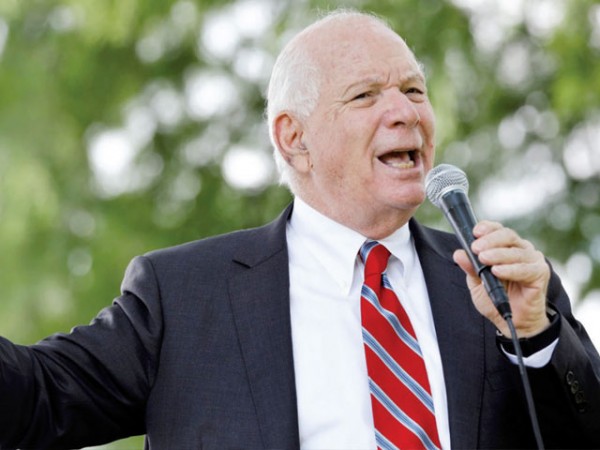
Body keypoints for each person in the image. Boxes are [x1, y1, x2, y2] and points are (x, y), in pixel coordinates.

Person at [1, 8, 599, 450]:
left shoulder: (506, 286)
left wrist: (535, 336)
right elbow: (37, 396)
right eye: (365, 95)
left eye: (414, 90)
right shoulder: (182, 296)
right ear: (295, 138)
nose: (405, 112)